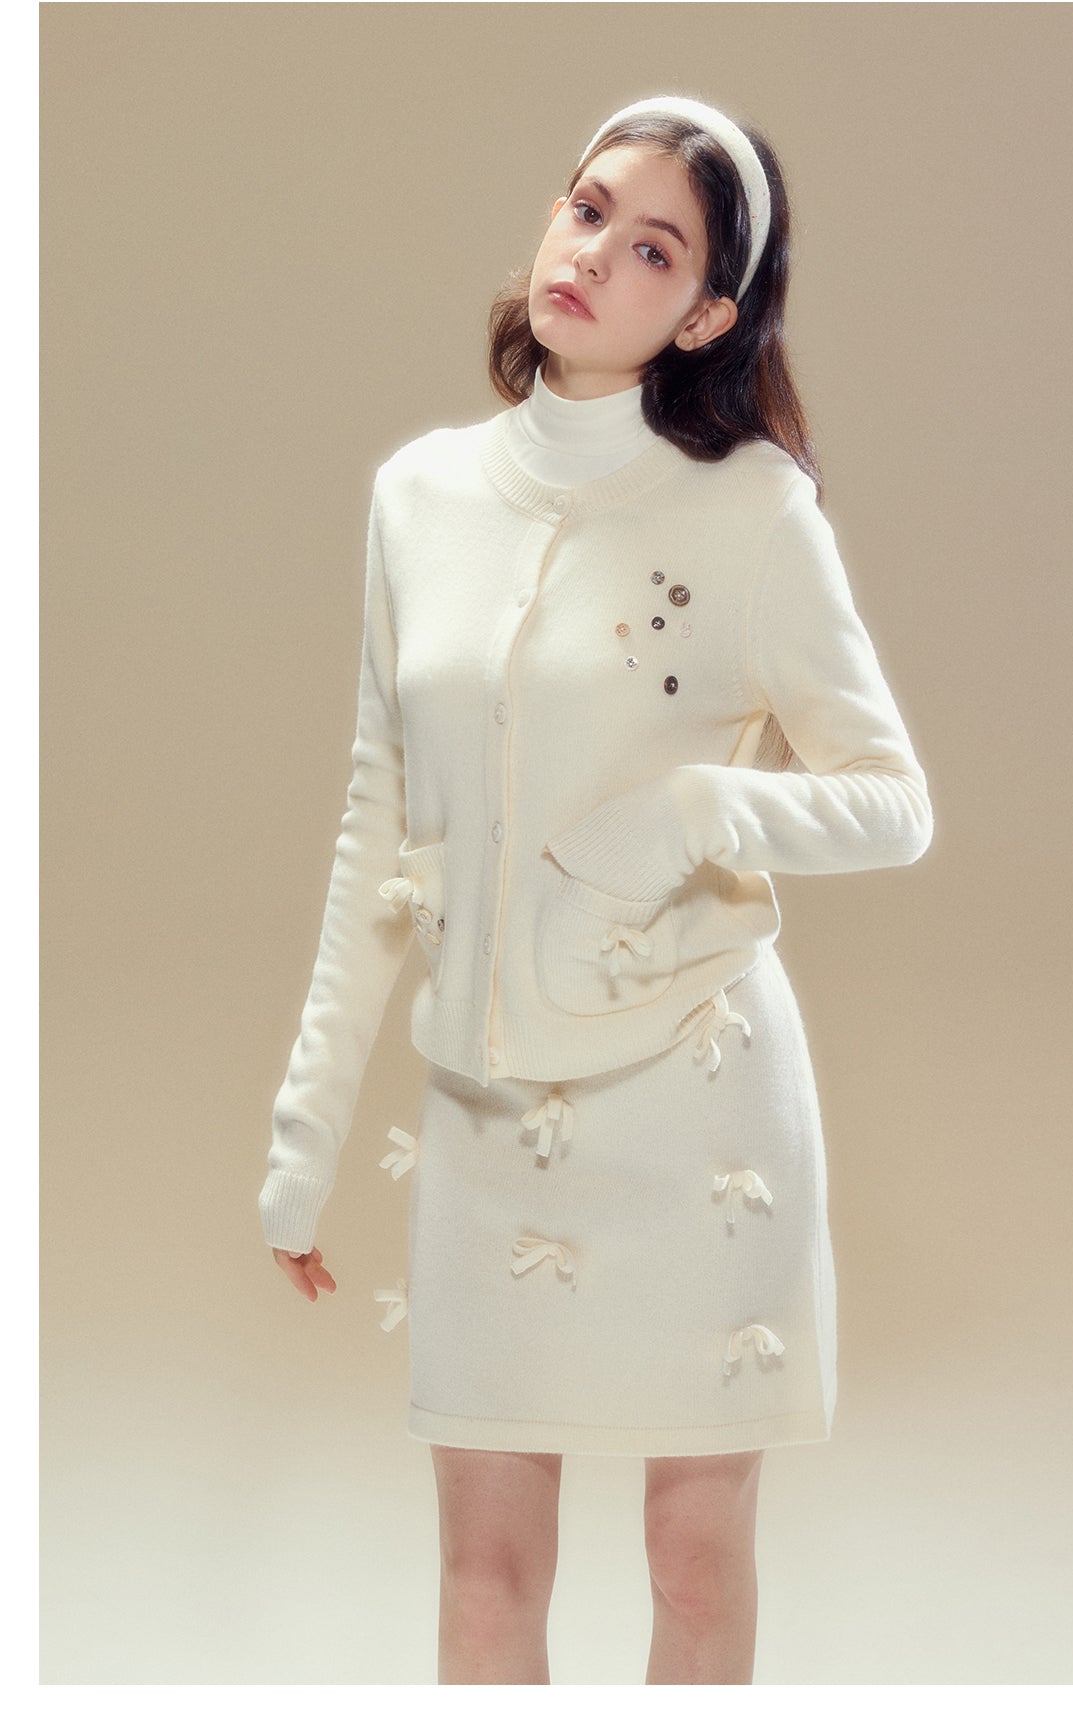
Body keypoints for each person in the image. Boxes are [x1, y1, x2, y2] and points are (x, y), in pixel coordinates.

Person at [258, 94, 934, 1685]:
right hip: (490, 1111)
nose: (594, 255)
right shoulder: (420, 496)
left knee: (693, 1566)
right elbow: (378, 823)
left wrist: (698, 810)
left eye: (654, 249)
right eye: (587, 210)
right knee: (484, 1571)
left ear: (704, 314)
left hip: (700, 1107)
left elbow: (894, 802)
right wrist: (306, 1129)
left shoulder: (754, 509)